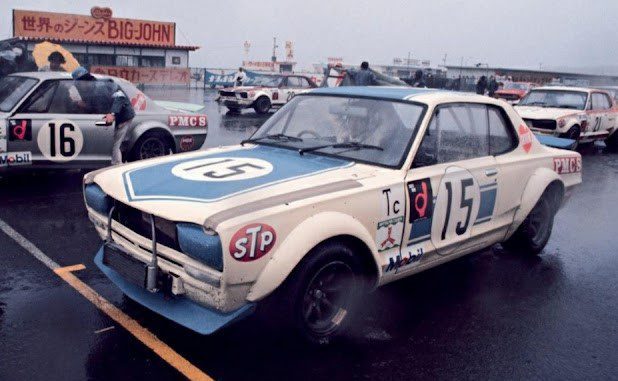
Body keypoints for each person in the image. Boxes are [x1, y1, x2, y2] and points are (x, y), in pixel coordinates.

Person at [71, 67, 135, 165]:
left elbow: (120, 97)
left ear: (87, 80)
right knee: (113, 144)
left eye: (80, 82)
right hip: (113, 116)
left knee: (114, 145)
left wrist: (112, 113)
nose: (78, 85)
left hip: (122, 117)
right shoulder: (89, 88)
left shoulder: (100, 88)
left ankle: (117, 166)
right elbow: (95, 106)